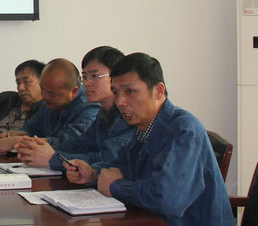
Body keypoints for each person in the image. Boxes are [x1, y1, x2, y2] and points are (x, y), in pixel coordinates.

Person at [65, 52, 234, 225]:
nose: (120, 101)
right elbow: (123, 166)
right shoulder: (144, 126)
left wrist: (115, 186)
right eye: (116, 92)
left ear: (159, 91)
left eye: (130, 91)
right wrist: (93, 174)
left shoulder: (184, 130)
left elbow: (166, 199)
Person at [15, 46, 135, 169]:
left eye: (95, 76)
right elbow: (80, 145)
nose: (87, 83)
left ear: (117, 77)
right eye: (85, 77)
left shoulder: (128, 113)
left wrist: (53, 158)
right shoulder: (104, 113)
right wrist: (39, 150)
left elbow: (110, 160)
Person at [0, 58, 99, 155]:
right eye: (43, 89)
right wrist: (18, 134)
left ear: (74, 91)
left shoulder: (90, 107)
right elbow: (34, 126)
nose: (45, 96)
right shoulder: (48, 101)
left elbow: (70, 144)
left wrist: (20, 141)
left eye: (52, 93)